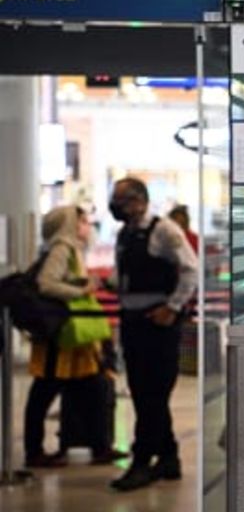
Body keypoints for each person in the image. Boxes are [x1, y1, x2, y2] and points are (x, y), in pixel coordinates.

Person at [107, 178, 199, 491]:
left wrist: (172, 308)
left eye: (122, 199)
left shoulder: (164, 230)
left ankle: (142, 461)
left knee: (153, 395)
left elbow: (191, 270)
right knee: (144, 394)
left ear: (140, 200)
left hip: (158, 325)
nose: (116, 205)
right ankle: (169, 458)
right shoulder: (125, 234)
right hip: (132, 322)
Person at [24, 206, 122, 467]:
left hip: (74, 335)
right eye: (81, 221)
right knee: (45, 391)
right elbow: (47, 283)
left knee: (91, 386)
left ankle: (99, 445)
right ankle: (34, 451)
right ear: (68, 224)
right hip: (62, 334)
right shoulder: (62, 249)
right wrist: (82, 290)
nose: (87, 225)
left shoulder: (71, 249)